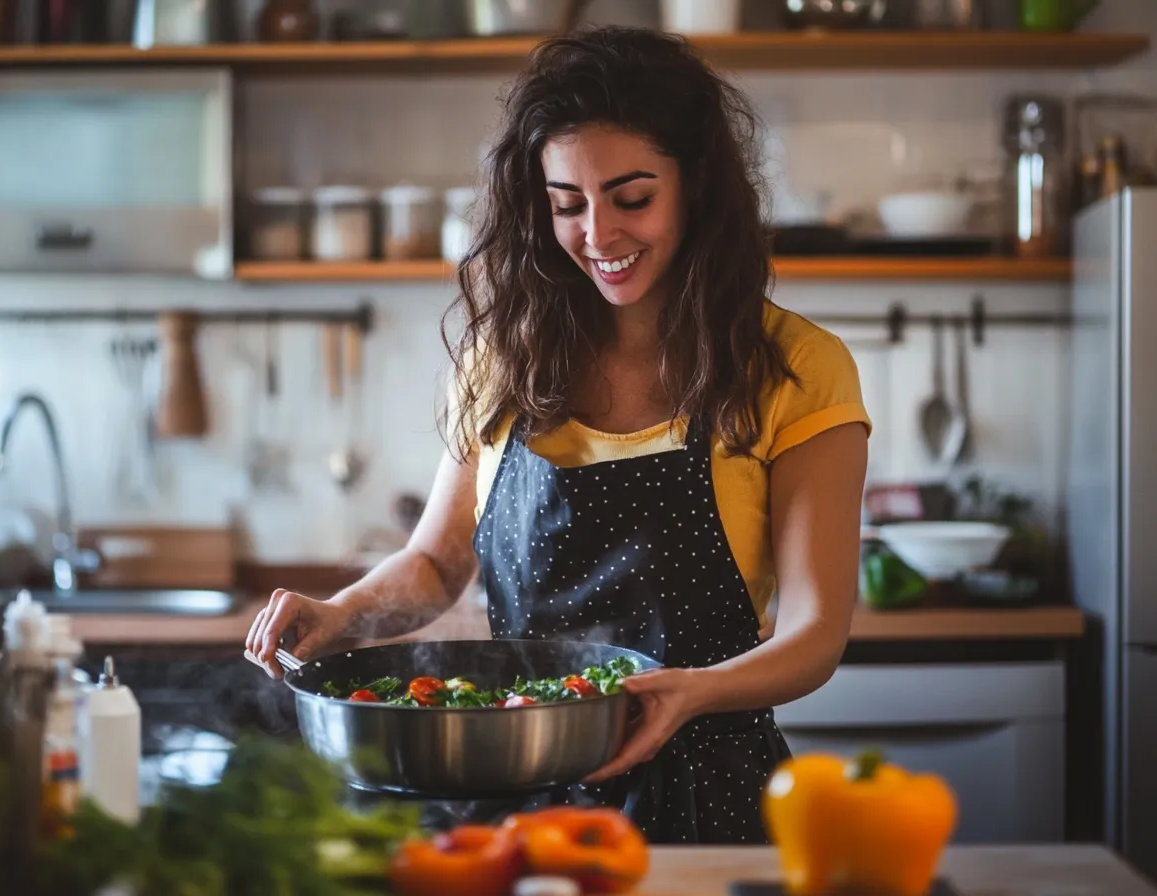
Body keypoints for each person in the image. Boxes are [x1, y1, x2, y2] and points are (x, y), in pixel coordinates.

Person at [247, 25, 870, 844]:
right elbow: (437, 563)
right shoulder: (503, 360)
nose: (600, 236)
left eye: (632, 197)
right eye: (568, 204)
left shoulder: (795, 369)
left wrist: (689, 692)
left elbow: (815, 636)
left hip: (706, 794)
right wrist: (345, 613)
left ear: (699, 185)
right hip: (520, 795)